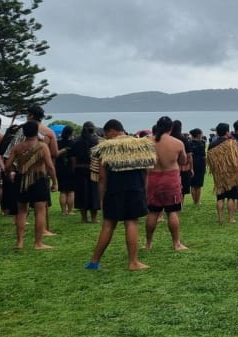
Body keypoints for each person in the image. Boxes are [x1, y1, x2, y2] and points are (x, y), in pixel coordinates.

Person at [86, 119, 156, 270]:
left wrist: (101, 198)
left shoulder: (105, 147)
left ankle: (94, 261)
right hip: (135, 189)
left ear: (112, 130)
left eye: (106, 134)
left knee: (108, 225)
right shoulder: (141, 144)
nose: (106, 138)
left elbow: (102, 178)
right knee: (131, 222)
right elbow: (147, 171)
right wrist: (143, 190)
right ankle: (133, 262)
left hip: (114, 190)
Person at [5, 121, 58, 250]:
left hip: (21, 179)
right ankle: (38, 243)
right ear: (36, 132)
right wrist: (55, 182)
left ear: (24, 132)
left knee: (22, 211)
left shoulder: (18, 147)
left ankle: (19, 242)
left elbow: (7, 165)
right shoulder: (42, 146)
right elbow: (50, 166)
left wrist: (12, 173)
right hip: (39, 179)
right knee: (40, 212)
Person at [145, 116, 189, 251]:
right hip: (171, 179)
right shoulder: (177, 143)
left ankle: (148, 243)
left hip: (152, 177)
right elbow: (183, 161)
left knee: (153, 211)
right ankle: (176, 243)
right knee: (172, 211)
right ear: (171, 128)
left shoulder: (147, 142)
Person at [71, 122, 100, 223]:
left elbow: (73, 159)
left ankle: (83, 217)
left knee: (81, 193)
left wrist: (74, 170)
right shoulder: (96, 141)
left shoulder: (76, 141)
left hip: (79, 169)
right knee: (94, 192)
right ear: (93, 129)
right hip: (93, 169)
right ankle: (94, 218)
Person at [56, 126, 77, 215]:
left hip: (60, 168)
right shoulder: (74, 143)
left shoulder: (58, 142)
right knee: (71, 191)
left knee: (63, 191)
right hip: (70, 168)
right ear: (71, 133)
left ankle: (63, 211)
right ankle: (70, 210)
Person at [187, 128, 207, 205]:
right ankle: (197, 201)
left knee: (192, 184)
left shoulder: (189, 143)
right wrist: (205, 165)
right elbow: (204, 156)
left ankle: (194, 200)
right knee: (198, 184)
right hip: (200, 164)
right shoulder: (202, 143)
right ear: (198, 134)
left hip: (191, 164)